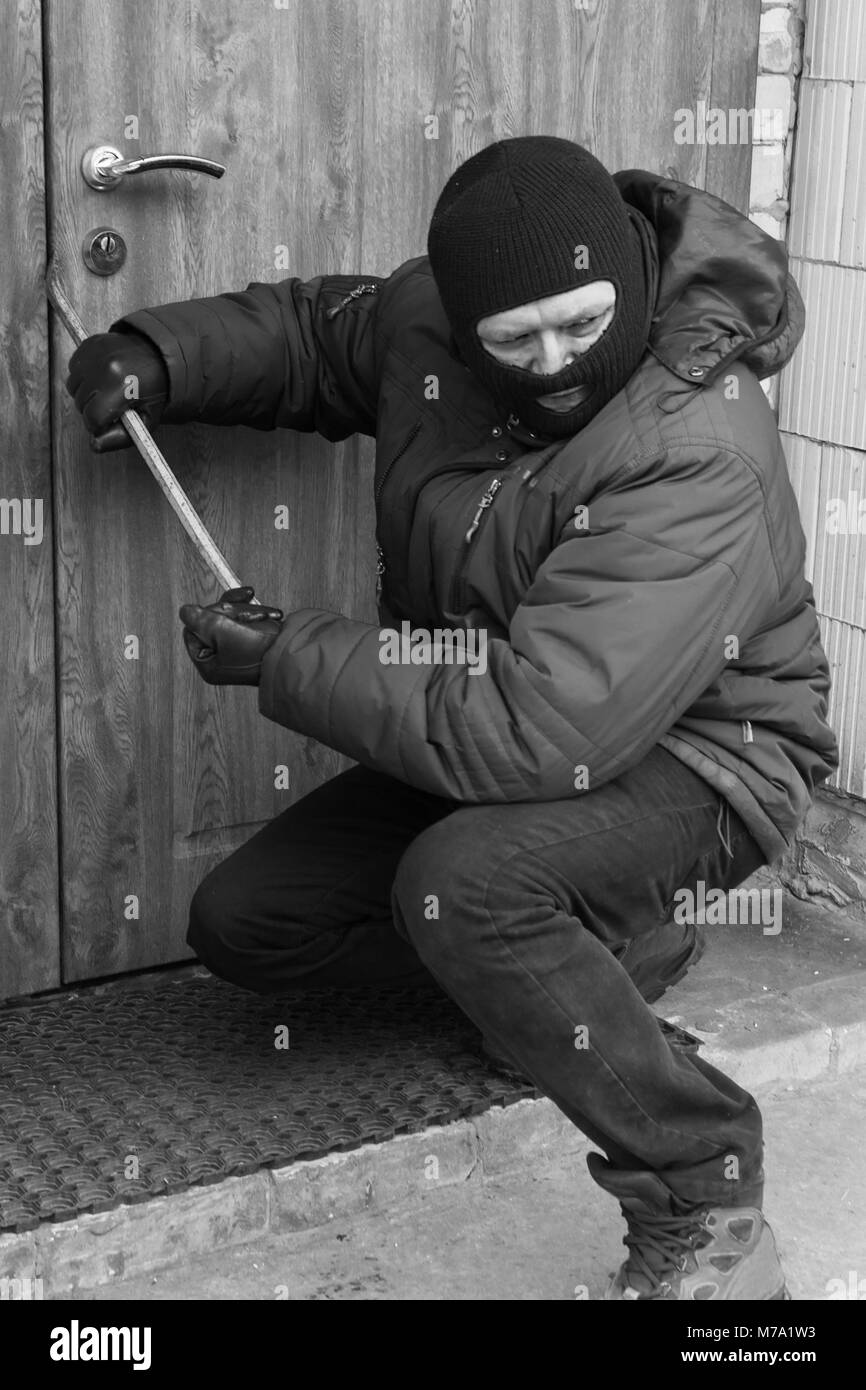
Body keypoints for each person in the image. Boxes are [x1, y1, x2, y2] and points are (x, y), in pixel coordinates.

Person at [66, 135, 838, 1300]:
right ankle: (596, 956)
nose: (553, 364)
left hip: (697, 752)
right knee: (247, 923)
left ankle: (703, 1188)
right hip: (482, 698)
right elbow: (321, 339)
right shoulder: (433, 323)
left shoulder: (697, 444)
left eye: (581, 325)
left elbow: (552, 728)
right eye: (513, 341)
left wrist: (292, 656)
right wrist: (156, 358)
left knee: (465, 886)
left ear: (628, 282)